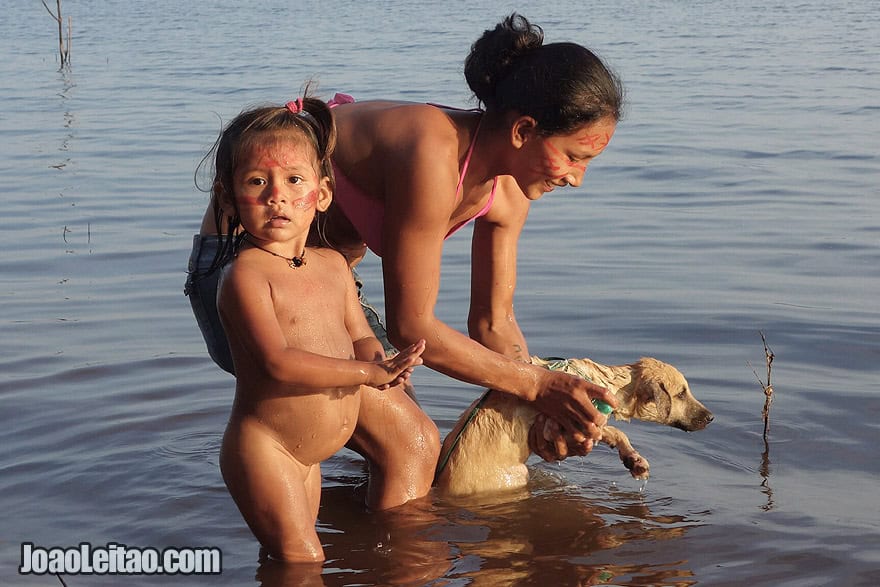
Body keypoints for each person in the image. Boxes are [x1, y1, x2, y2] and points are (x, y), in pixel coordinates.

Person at [186, 13, 623, 511]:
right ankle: (394, 562)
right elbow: (411, 326)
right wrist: (537, 385)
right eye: (573, 157)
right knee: (409, 443)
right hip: (243, 271)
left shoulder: (511, 189)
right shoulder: (433, 152)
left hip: (327, 286)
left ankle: (363, 551)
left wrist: (539, 406)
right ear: (524, 130)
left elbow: (493, 324)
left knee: (407, 443)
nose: (577, 178)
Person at [203, 96, 427, 562]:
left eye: (293, 180)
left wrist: (378, 360)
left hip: (309, 455)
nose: (276, 196)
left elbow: (359, 333)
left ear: (323, 194)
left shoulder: (333, 265)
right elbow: (278, 363)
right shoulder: (245, 275)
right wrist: (368, 378)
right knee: (303, 562)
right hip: (267, 449)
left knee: (292, 561)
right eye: (257, 181)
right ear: (228, 197)